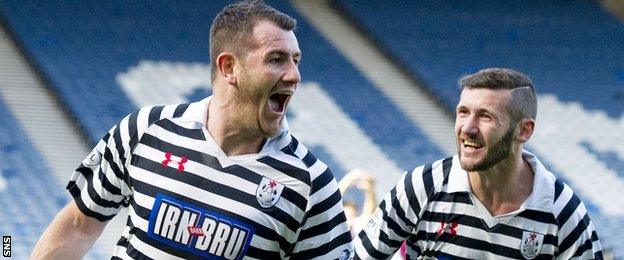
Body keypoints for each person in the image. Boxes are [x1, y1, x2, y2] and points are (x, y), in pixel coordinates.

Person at [30, 1, 353, 259]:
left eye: (296, 60)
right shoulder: (146, 129)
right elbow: (79, 225)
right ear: (229, 67)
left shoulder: (311, 183)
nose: (294, 75)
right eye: (276, 59)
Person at [353, 68, 603, 259]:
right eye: (463, 112)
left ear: (524, 130)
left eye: (486, 116)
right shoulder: (421, 186)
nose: (467, 128)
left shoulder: (562, 212)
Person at [339, 169, 378, 237]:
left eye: (352, 216)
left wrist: (369, 190)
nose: (348, 220)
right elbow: (334, 197)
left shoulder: (356, 230)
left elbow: (369, 213)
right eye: (346, 216)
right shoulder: (333, 225)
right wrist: (352, 175)